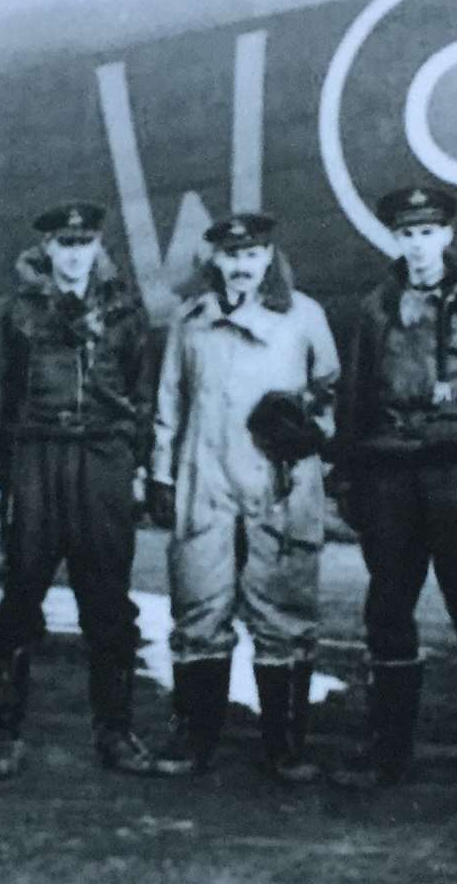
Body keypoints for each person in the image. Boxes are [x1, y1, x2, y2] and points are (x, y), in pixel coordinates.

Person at [329, 186, 457, 804]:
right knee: (387, 609)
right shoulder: (375, 308)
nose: (417, 245)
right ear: (395, 239)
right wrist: (349, 476)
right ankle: (388, 752)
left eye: (428, 233)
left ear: (448, 235)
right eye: (406, 234)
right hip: (391, 472)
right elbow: (356, 398)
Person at [147, 212, 339, 781]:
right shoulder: (190, 320)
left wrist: (309, 430)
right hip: (204, 477)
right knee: (199, 607)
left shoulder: (304, 317)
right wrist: (161, 475)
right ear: (216, 262)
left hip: (277, 484)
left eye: (252, 256)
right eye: (230, 257)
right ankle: (195, 741)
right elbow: (169, 401)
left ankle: (284, 747)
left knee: (282, 611)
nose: (241, 267)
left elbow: (329, 390)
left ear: (268, 258)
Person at [0, 202, 156, 778]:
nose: (75, 254)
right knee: (21, 593)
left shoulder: (125, 308)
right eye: (64, 244)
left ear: (97, 247)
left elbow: (140, 391)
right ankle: (2, 730)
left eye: (84, 243)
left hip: (102, 457)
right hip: (36, 454)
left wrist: (139, 461)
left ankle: (116, 731)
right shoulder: (14, 311)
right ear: (48, 249)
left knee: (107, 598)